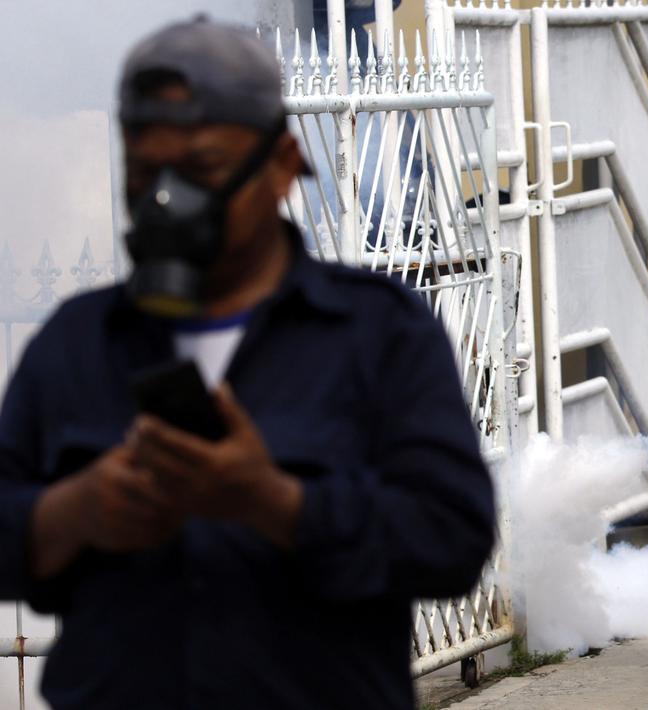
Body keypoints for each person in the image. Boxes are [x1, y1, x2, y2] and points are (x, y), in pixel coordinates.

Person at [0, 17, 495, 709]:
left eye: (200, 171)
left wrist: (275, 501)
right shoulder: (78, 342)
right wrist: (73, 512)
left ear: (283, 164)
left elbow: (453, 540)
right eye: (145, 173)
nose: (166, 201)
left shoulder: (377, 333)